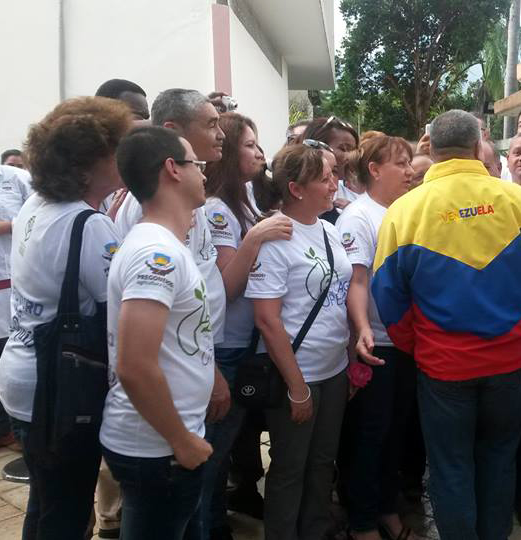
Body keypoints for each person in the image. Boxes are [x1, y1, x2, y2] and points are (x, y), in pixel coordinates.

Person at [371, 110, 521, 539]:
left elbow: (388, 296)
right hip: (509, 363)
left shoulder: (404, 211)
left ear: (430, 149)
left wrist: (416, 345)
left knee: (450, 466)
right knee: (498, 459)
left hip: (441, 366)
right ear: (478, 147)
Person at [0, 97, 130, 538]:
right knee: (67, 511)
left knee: (47, 499)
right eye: (116, 151)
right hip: (59, 383)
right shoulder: (88, 224)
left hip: (22, 369)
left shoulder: (35, 205)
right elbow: (121, 313)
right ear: (89, 164)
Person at [101, 126, 215, 539]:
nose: (205, 174)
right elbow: (134, 364)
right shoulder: (157, 253)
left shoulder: (166, 244)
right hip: (157, 449)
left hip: (166, 444)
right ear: (173, 170)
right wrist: (180, 439)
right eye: (197, 165)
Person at [245, 142, 353, 540]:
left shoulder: (327, 228)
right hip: (298, 373)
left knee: (323, 461)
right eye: (325, 179)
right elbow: (267, 320)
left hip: (334, 369)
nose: (333, 185)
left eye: (334, 176)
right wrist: (296, 387)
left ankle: (316, 530)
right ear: (296, 189)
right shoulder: (276, 238)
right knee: (290, 467)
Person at [113, 89, 231, 445]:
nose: (221, 134)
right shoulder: (152, 231)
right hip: (171, 407)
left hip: (197, 365)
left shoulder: (186, 204)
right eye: (211, 125)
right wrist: (212, 373)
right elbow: (144, 351)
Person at [200, 112, 293, 539]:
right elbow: (226, 287)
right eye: (249, 144)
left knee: (228, 446)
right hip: (227, 347)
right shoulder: (219, 209)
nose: (259, 152)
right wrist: (256, 238)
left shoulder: (247, 201)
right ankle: (209, 526)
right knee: (212, 454)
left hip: (245, 345)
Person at [337, 134, 419, 540]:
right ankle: (362, 521)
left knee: (395, 433)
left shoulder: (405, 211)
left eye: (410, 163)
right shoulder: (359, 216)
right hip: (377, 345)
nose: (409, 171)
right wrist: (362, 330)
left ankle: (386, 507)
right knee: (370, 435)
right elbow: (357, 280)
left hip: (407, 342)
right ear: (374, 170)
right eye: (400, 164)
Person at [0, 115, 32, 458]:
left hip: (10, 286)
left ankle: (20, 425)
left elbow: (41, 214)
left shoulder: (16, 179)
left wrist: (7, 225)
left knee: (10, 356)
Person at [303, 116, 360, 219]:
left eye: (354, 150)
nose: (351, 156)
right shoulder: (295, 198)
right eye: (343, 149)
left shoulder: (355, 200)